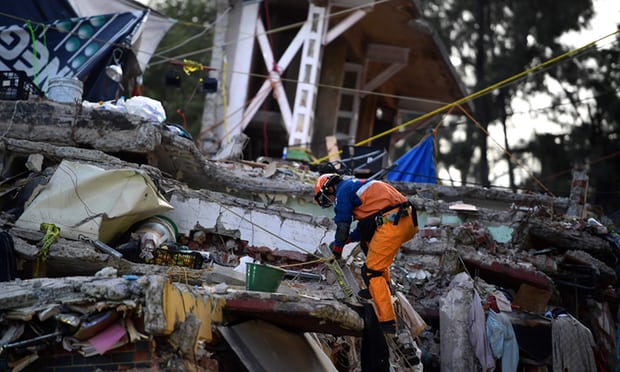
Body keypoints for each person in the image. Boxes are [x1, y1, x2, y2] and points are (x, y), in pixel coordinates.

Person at [314, 173, 418, 334]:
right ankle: (380, 288)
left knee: (371, 271)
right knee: (368, 244)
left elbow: (343, 225)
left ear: (330, 187)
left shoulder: (342, 192)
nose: (330, 200)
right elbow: (365, 228)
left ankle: (387, 322)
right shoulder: (354, 187)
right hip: (404, 220)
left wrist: (337, 251)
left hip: (394, 223)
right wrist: (348, 240)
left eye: (327, 196)